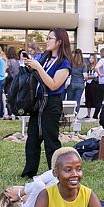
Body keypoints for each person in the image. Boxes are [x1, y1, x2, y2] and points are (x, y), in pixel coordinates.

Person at [18, 29, 72, 180]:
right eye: (47, 38)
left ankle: (56, 173)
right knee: (32, 138)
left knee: (51, 140)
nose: (47, 41)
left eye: (50, 38)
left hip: (52, 103)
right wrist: (31, 65)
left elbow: (54, 85)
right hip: (38, 101)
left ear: (59, 42)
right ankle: (29, 172)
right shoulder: (44, 57)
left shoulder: (64, 63)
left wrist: (38, 67)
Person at [67, 48, 86, 118]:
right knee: (77, 101)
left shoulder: (71, 63)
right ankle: (75, 115)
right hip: (81, 84)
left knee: (69, 100)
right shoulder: (83, 64)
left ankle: (68, 115)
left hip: (72, 83)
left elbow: (68, 73)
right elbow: (85, 76)